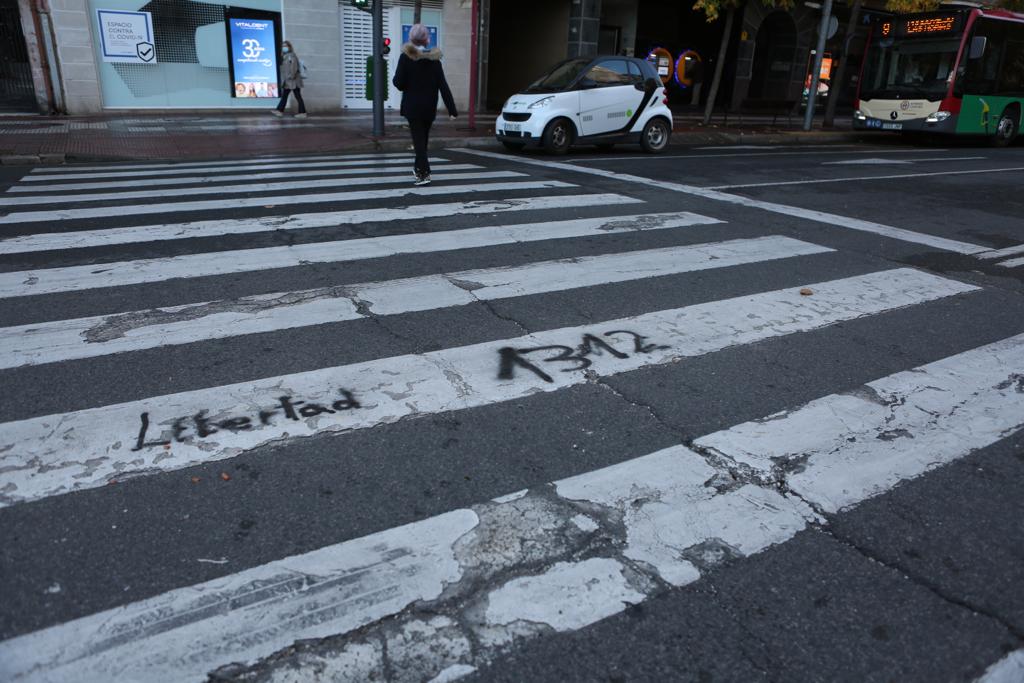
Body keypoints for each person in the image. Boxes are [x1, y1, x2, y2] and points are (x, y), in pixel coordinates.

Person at [393, 24, 457, 185]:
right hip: (429, 107)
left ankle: (424, 173)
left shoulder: (405, 58)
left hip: (412, 107)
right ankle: (418, 168)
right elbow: (443, 86)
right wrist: (452, 109)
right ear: (426, 40)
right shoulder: (435, 61)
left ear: (411, 39)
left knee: (419, 141)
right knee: (423, 139)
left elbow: (398, 83)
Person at [273, 40, 307, 119]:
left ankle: (302, 112)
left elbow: (294, 67)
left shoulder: (291, 56)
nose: (284, 48)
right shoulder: (286, 56)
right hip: (289, 81)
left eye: (286, 46)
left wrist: (291, 76)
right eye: (283, 46)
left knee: (297, 96)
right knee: (285, 95)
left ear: (289, 47)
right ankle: (279, 111)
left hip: (293, 81)